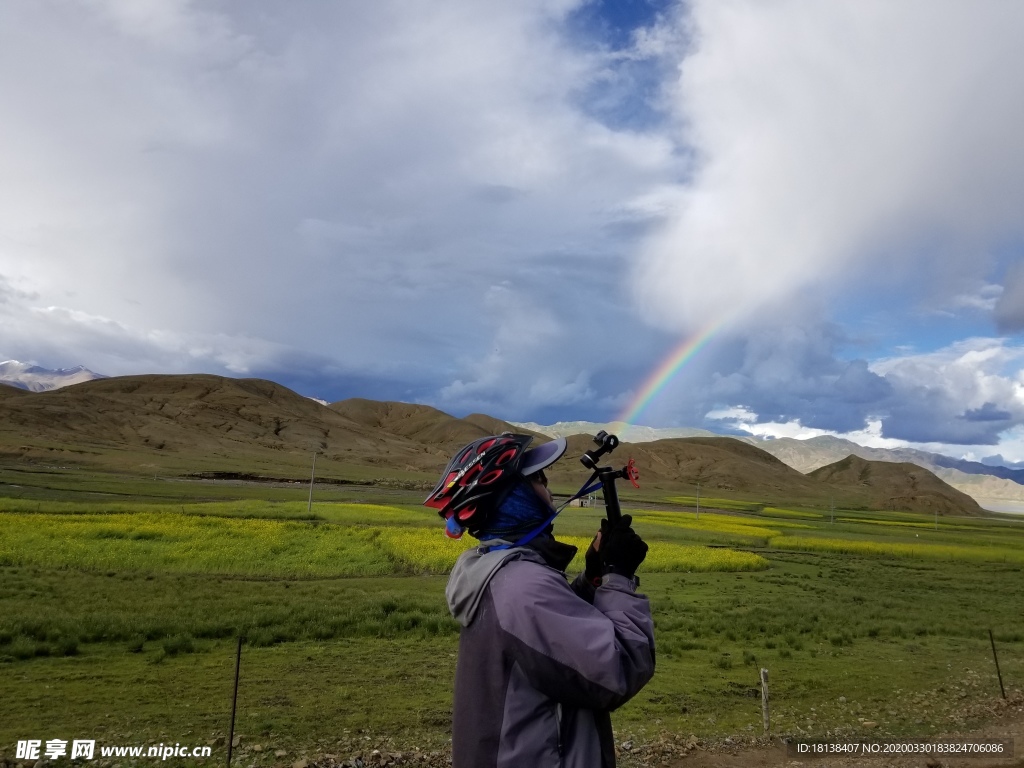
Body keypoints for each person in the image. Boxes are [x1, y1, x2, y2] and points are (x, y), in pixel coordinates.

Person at [424, 434, 655, 768]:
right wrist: (618, 576)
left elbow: (553, 647)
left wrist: (592, 580)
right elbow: (616, 669)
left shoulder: (496, 571)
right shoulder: (523, 587)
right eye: (538, 481)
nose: (549, 492)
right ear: (513, 499)